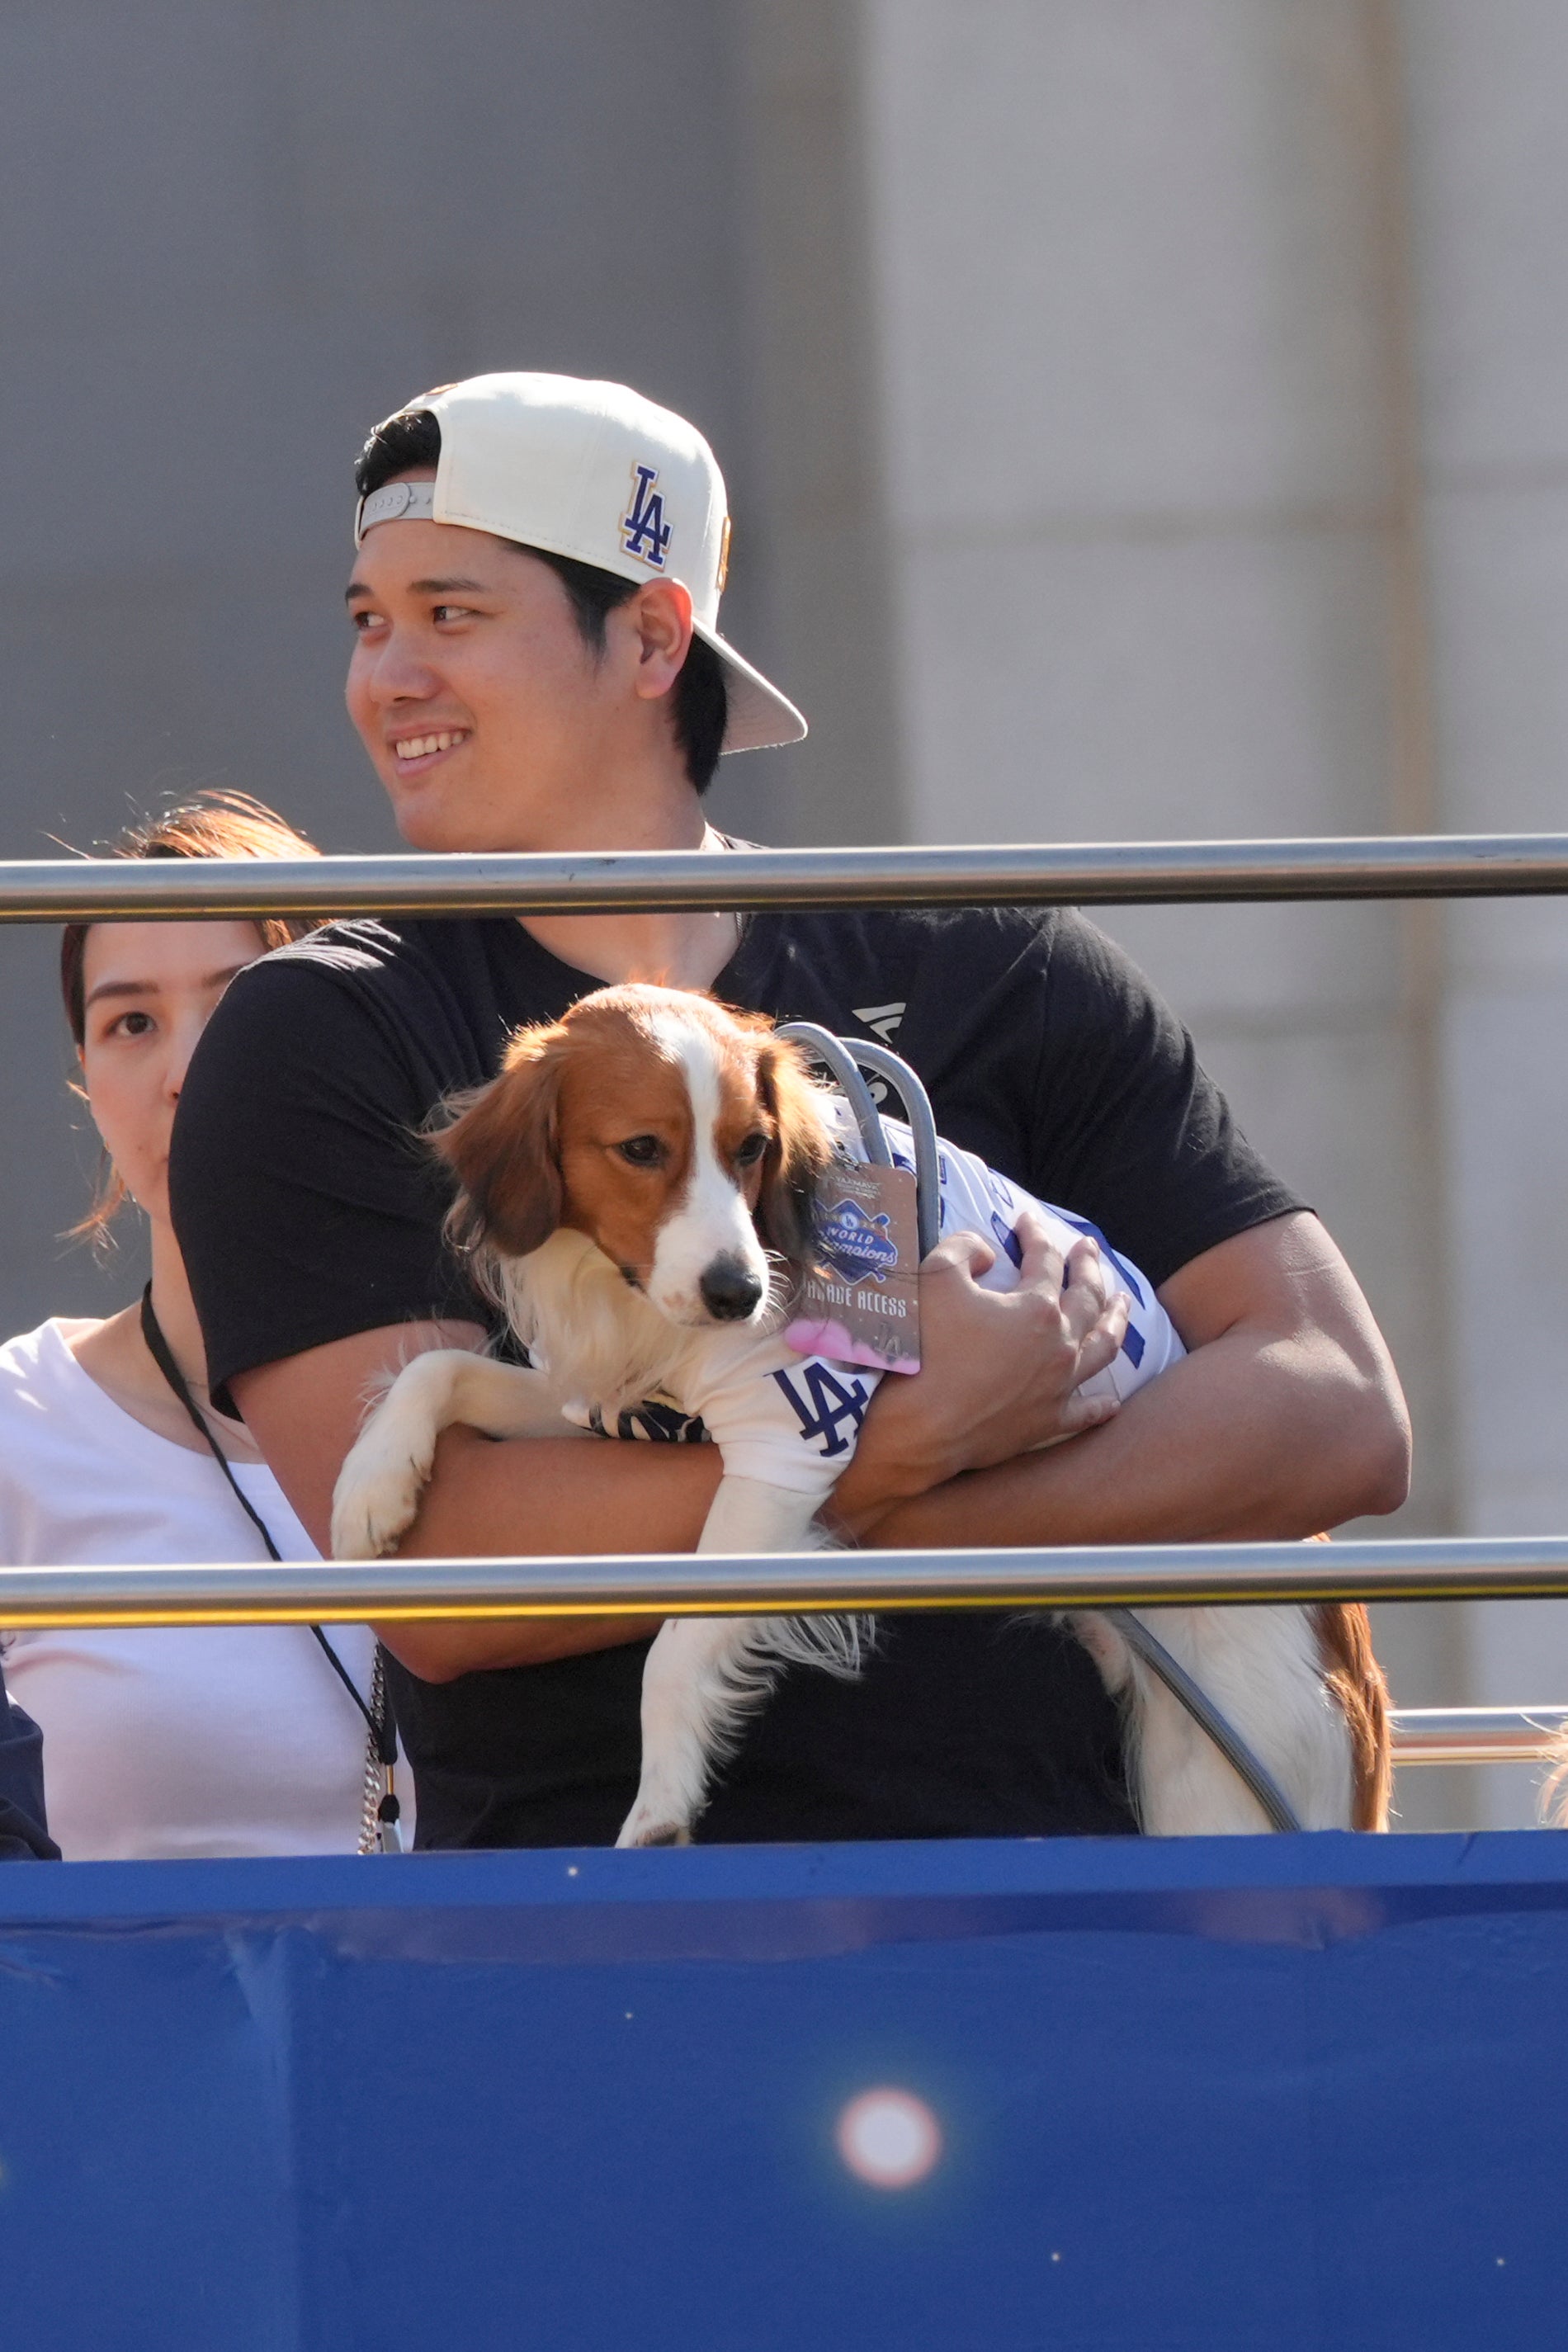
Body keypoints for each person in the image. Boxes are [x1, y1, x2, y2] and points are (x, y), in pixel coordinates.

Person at [170, 373, 1411, 1850]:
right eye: (369, 621)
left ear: (650, 634)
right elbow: (438, 1575)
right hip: (603, 1941)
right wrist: (892, 1447)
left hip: (1073, 1911)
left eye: (452, 614)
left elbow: (1334, 1404)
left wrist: (851, 1492)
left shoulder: (986, 957)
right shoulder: (325, 1028)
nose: (389, 678)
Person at [0, 795, 401, 1860]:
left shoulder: (523, 1399)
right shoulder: (18, 1424)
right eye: (131, 1022)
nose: (187, 1074)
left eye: (242, 1012)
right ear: (87, 1085)